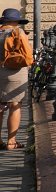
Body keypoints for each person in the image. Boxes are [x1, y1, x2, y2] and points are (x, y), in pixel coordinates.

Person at [0, 8, 31, 150]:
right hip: (15, 73)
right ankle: (11, 142)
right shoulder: (18, 32)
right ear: (17, 20)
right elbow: (28, 54)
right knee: (15, 105)